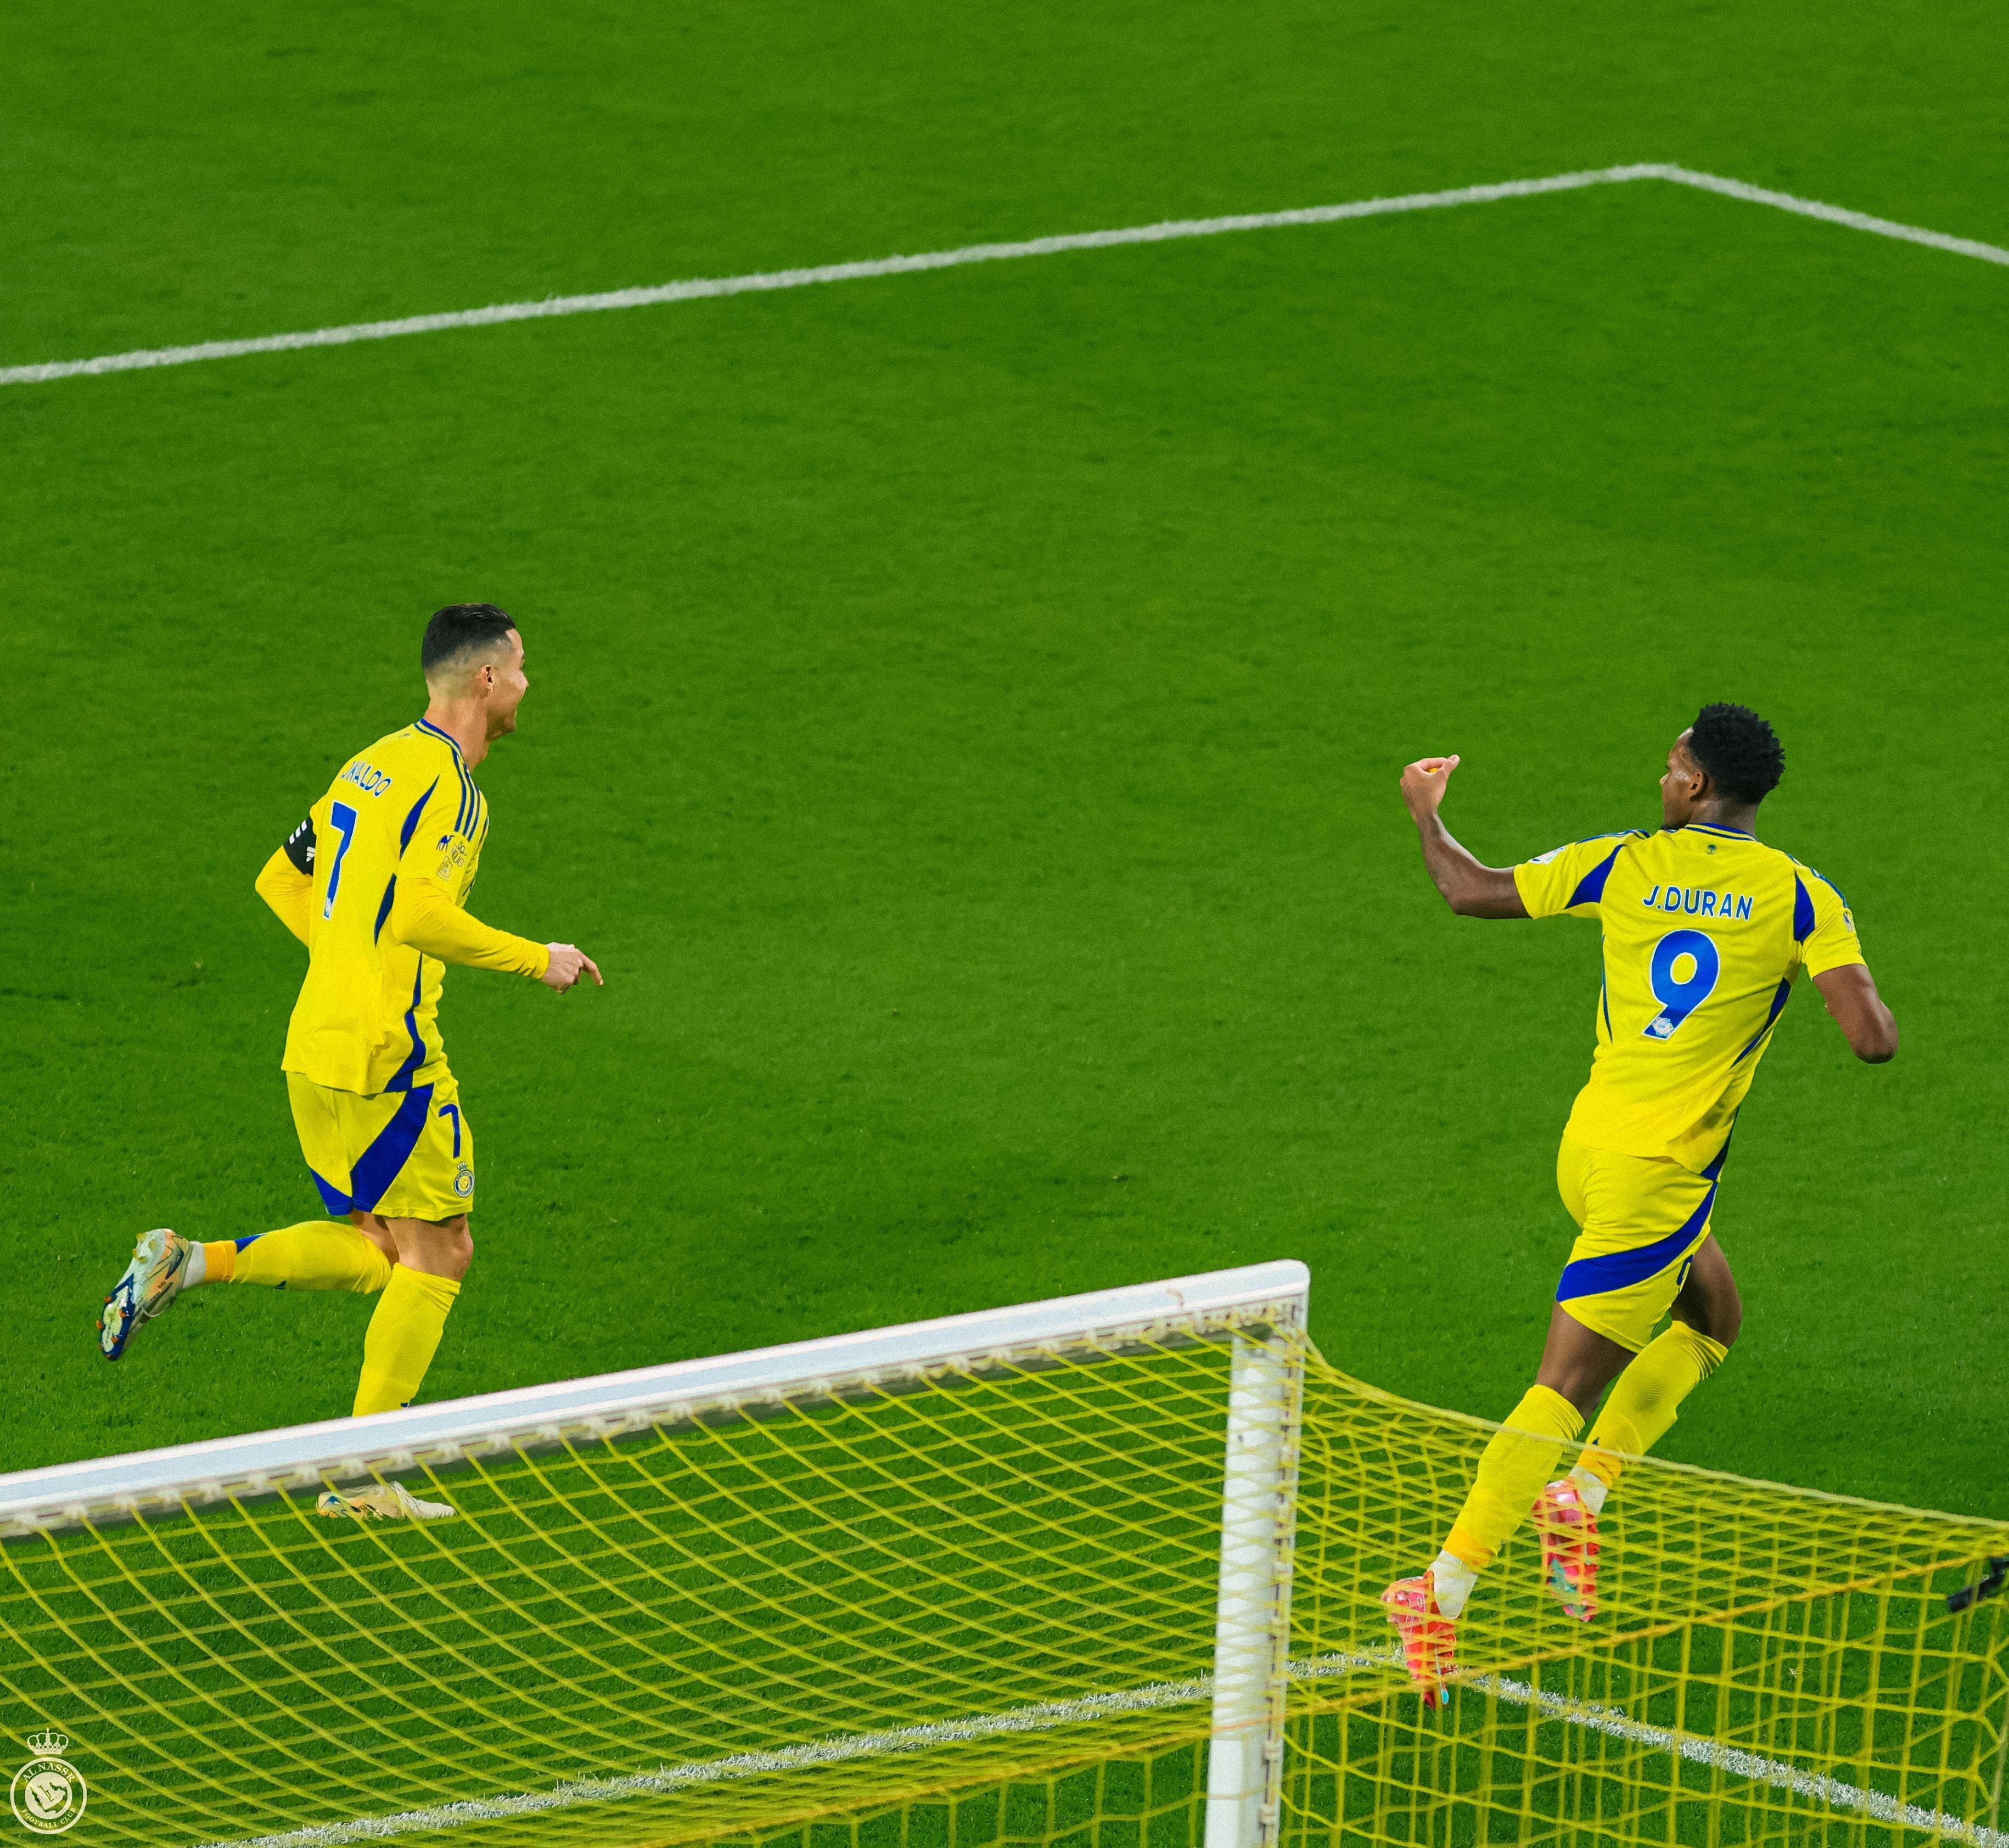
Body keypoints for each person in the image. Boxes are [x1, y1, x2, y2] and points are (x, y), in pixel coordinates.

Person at [1383, 703, 1896, 1703]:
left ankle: (1580, 1495)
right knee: (1564, 1390)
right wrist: (1834, 973)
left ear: (1697, 786)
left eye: (1670, 769)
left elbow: (1470, 891)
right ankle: (1439, 1591)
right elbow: (1872, 1037)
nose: (1661, 781)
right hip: (1657, 1182)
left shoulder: (1624, 862)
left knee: (1714, 1313)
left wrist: (1425, 811)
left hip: (1588, 1150)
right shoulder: (1800, 895)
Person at [98, 604, 601, 1504]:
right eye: (522, 667)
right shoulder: (453, 789)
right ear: (486, 679)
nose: (529, 683)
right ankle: (366, 1475)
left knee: (383, 1248)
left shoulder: (370, 765)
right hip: (385, 1054)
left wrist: (343, 961)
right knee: (443, 1254)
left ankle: (189, 1259)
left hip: (314, 1043)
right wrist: (539, 959)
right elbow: (414, 913)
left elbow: (281, 876)